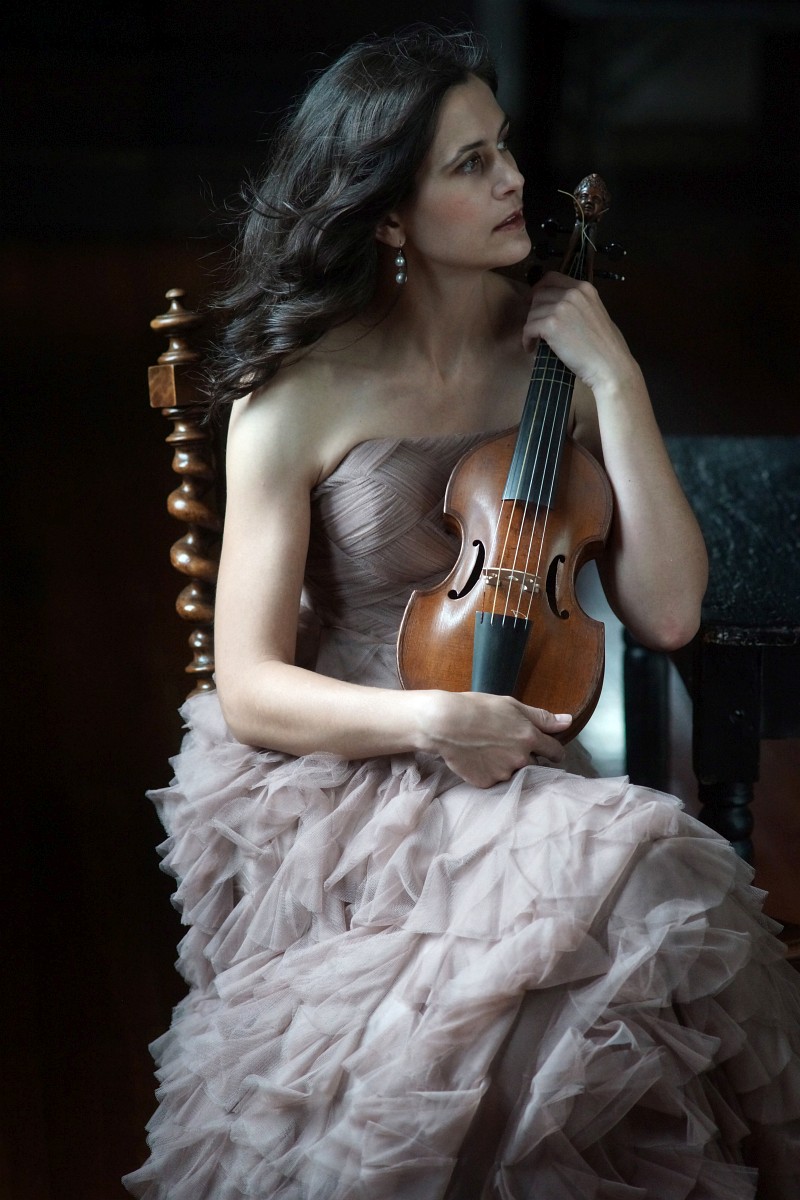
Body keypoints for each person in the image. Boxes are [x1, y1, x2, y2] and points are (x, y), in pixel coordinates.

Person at [124, 26, 800, 1200]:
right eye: (469, 164)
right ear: (388, 217)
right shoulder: (299, 391)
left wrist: (615, 378)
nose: (512, 183)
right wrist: (433, 723)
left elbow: (668, 611)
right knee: (545, 974)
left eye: (505, 150)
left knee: (639, 898)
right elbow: (248, 684)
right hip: (346, 775)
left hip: (519, 755)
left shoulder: (553, 358)